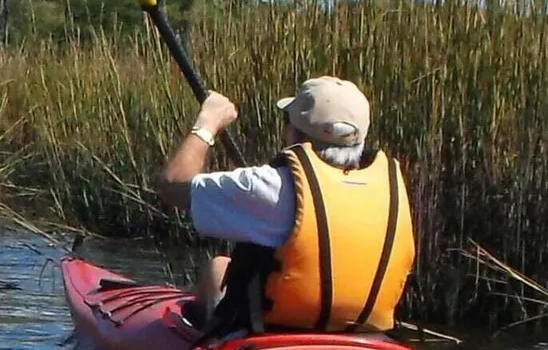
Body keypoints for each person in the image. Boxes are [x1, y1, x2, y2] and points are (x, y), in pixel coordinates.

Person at [154, 76, 414, 334]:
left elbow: (173, 184)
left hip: (271, 336)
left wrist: (208, 122)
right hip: (361, 337)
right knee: (220, 267)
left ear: (296, 135)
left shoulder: (272, 186)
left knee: (217, 268)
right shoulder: (390, 189)